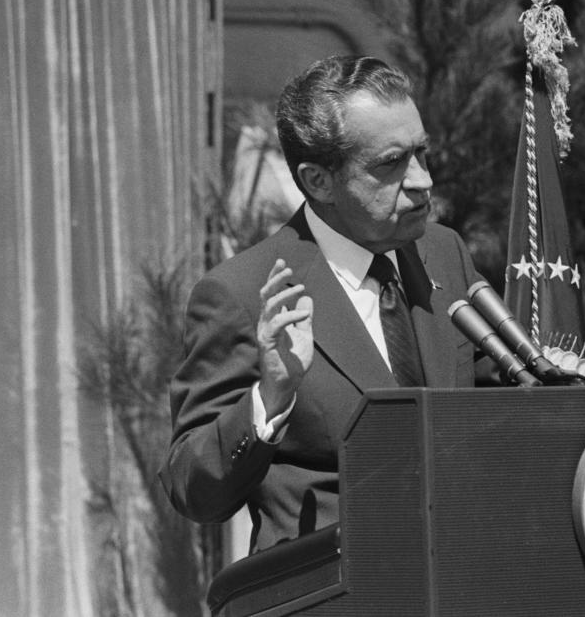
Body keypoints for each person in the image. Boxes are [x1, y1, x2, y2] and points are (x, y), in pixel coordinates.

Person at [159, 55, 498, 553]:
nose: (423, 180)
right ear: (318, 181)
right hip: (331, 593)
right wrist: (269, 400)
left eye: (421, 153)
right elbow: (191, 488)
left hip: (459, 578)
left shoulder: (442, 253)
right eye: (391, 164)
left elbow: (490, 407)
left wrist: (550, 393)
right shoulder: (243, 294)